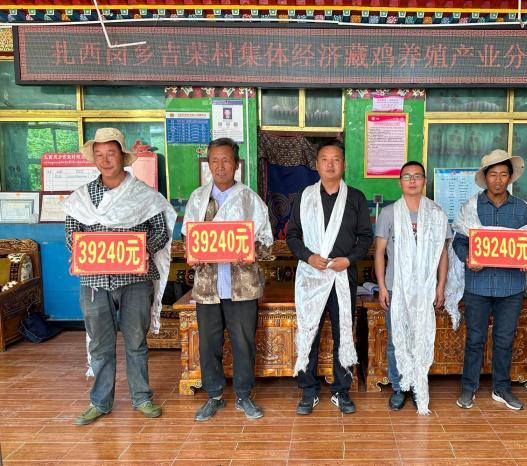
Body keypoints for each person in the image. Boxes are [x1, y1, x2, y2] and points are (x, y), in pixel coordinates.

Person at [64, 128, 176, 425]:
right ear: (94, 159)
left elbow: (160, 231)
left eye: (111, 153)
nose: (105, 160)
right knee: (99, 344)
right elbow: (71, 234)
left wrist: (140, 250)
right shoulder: (81, 198)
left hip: (135, 280)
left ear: (122, 157)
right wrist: (87, 249)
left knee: (136, 341)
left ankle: (142, 397)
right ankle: (100, 402)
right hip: (94, 282)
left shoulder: (143, 195)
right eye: (99, 155)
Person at [182, 138, 273, 421]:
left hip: (242, 285)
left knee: (243, 342)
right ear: (208, 164)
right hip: (207, 286)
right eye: (215, 161)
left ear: (236, 164)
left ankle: (244, 395)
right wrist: (191, 253)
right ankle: (214, 395)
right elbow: (188, 239)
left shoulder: (249, 199)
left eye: (226, 161)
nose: (220, 167)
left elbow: (267, 244)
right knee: (209, 343)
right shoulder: (198, 198)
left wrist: (251, 252)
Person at [451, 149, 527, 411]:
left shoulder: (522, 209)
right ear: (485, 177)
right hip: (478, 285)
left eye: (504, 174)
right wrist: (468, 258)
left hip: (510, 286)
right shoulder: (471, 207)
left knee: (504, 339)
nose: (498, 180)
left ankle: (501, 388)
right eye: (493, 174)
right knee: (475, 339)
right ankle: (469, 388)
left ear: (510, 177)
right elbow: (459, 242)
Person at [286, 141, 373, 415]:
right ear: (317, 164)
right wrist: (308, 257)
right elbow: (292, 235)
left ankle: (341, 391)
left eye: (336, 159)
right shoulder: (304, 196)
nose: (330, 164)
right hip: (311, 275)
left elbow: (366, 237)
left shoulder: (356, 198)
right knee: (309, 331)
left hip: (342, 276)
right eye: (325, 159)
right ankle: (308, 391)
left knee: (342, 332)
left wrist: (349, 259)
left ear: (344, 164)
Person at [374, 161, 450, 414]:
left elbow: (442, 253)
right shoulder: (389, 213)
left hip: (425, 288)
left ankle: (418, 385)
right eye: (407, 177)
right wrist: (382, 287)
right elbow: (379, 252)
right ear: (400, 182)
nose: (412, 181)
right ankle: (399, 387)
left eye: (417, 176)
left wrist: (441, 286)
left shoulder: (436, 213)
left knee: (422, 336)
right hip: (396, 287)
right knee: (396, 339)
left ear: (424, 181)